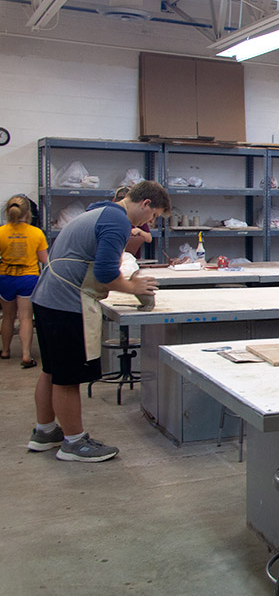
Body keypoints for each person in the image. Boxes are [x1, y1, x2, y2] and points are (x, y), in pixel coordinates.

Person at [28, 181, 170, 462]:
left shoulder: (100, 211)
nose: (149, 222)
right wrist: (134, 288)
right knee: (67, 377)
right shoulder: (117, 221)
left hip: (47, 298)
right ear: (145, 205)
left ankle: (44, 432)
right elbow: (105, 274)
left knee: (52, 370)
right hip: (65, 302)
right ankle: (74, 443)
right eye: (153, 216)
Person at [1, 194, 49, 367]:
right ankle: (26, 355)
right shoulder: (36, 233)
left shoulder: (1, 232)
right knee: (26, 317)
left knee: (7, 316)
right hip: (28, 278)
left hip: (5, 277)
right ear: (28, 213)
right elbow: (45, 261)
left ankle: (5, 351)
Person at [115, 187, 153, 258]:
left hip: (133, 258)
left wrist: (139, 231)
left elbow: (149, 238)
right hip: (115, 256)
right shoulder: (112, 216)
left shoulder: (138, 217)